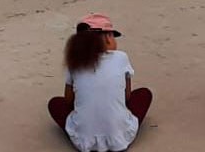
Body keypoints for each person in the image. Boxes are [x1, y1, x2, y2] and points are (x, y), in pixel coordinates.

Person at [47, 13, 152, 152]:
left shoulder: (74, 61)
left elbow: (68, 100)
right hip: (119, 138)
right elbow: (126, 97)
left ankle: (88, 127)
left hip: (84, 142)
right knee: (144, 94)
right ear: (108, 37)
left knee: (55, 104)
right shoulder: (121, 57)